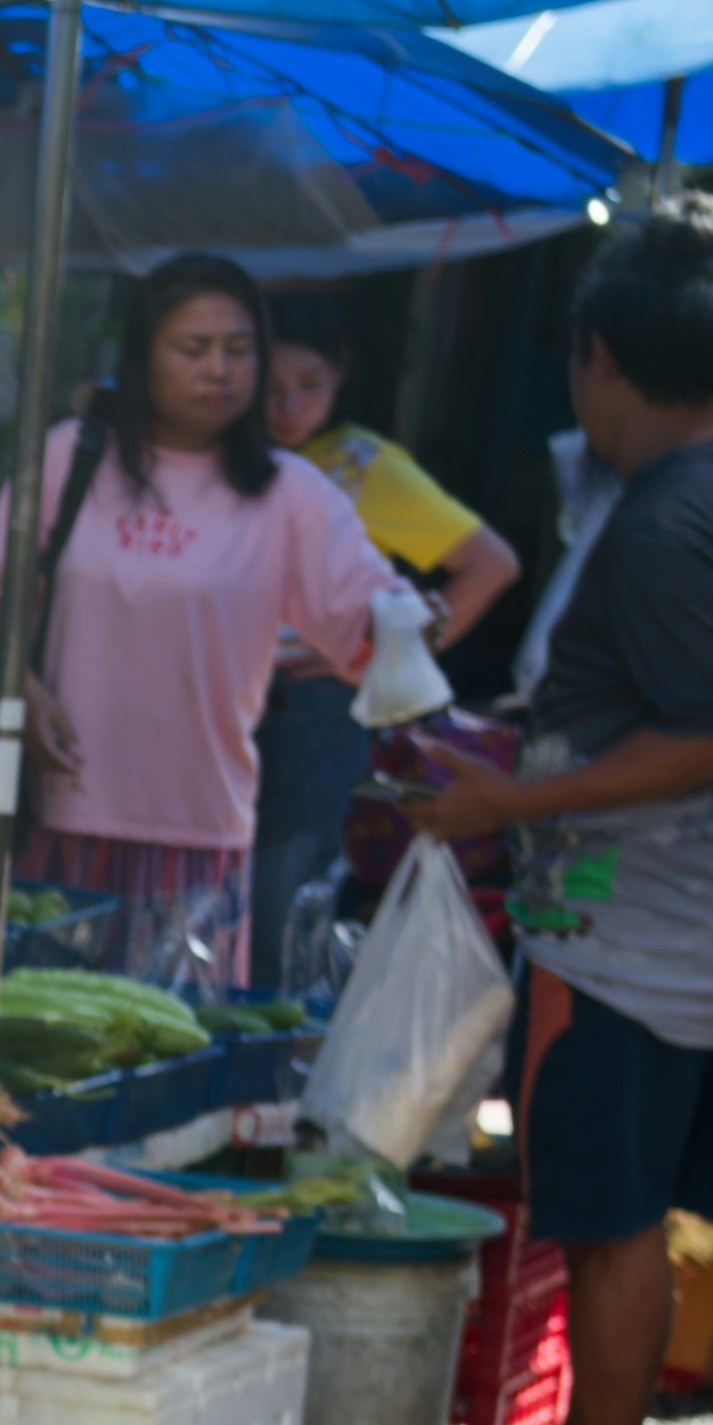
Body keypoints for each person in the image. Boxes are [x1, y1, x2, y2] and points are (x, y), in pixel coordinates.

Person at [394, 207, 713, 1425]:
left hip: (638, 929)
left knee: (607, 1219)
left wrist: (504, 803)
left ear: (599, 360)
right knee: (623, 1212)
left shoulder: (670, 524)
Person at [0, 253, 393, 991]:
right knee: (41, 1033)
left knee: (171, 1041)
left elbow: (377, 628)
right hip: (64, 812)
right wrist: (21, 692)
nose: (220, 370)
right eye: (194, 348)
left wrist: (418, 628)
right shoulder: (72, 457)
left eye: (239, 349)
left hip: (201, 830)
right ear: (144, 357)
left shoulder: (293, 495)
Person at [250, 295, 522, 984]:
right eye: (272, 386)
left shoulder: (361, 466)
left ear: (342, 373)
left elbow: (492, 564)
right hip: (231, 707)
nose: (289, 406)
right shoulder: (229, 458)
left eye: (309, 385)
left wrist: (393, 663)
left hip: (311, 713)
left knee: (283, 901)